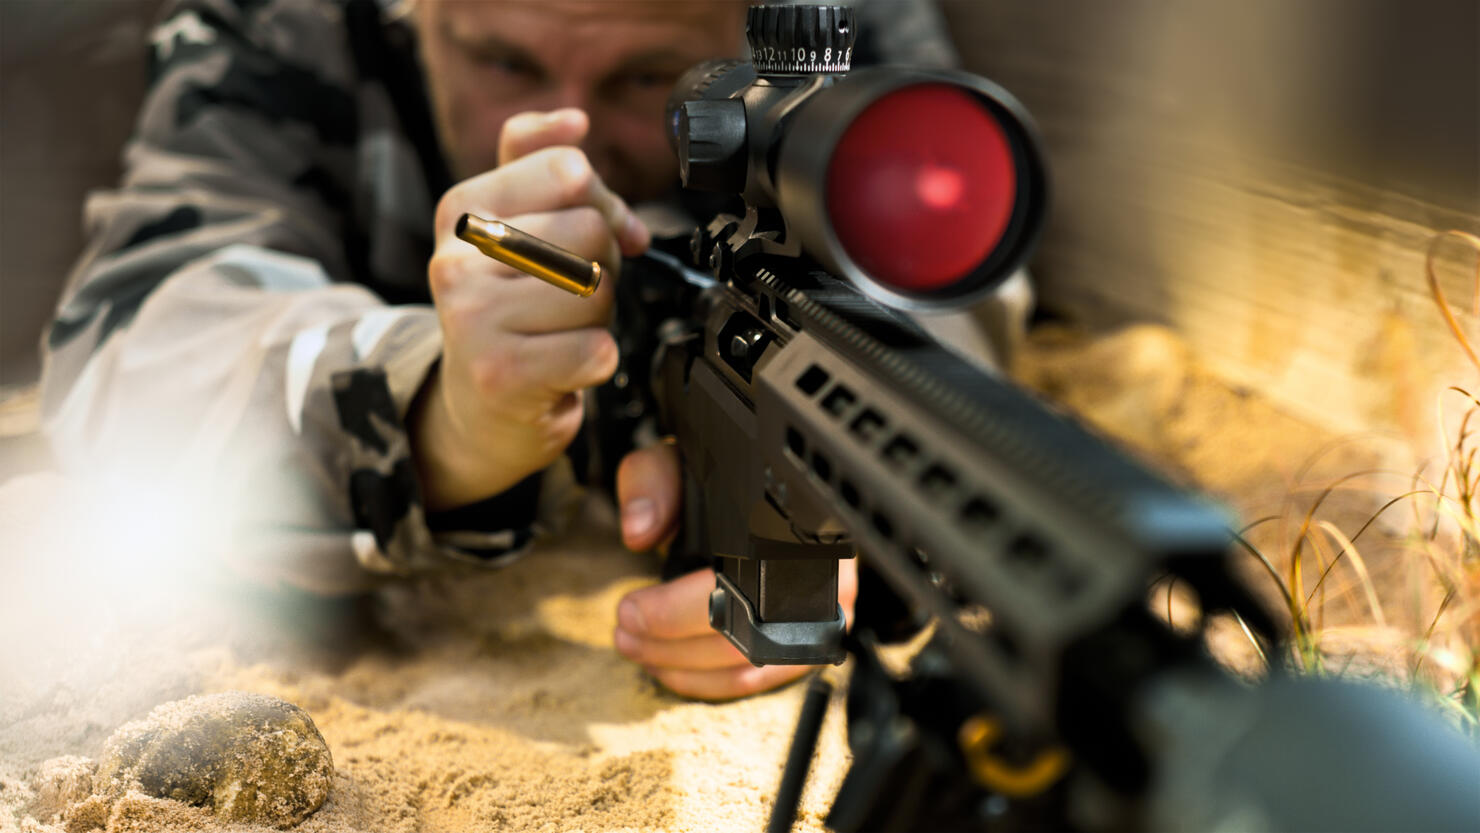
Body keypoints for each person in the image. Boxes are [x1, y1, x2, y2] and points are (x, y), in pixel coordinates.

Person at [41, 0, 969, 700]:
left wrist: (849, 499)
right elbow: (137, 337)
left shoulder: (830, 27)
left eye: (649, 77)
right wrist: (441, 417)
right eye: (501, 59)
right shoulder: (285, 22)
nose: (573, 140)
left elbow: (952, 290)